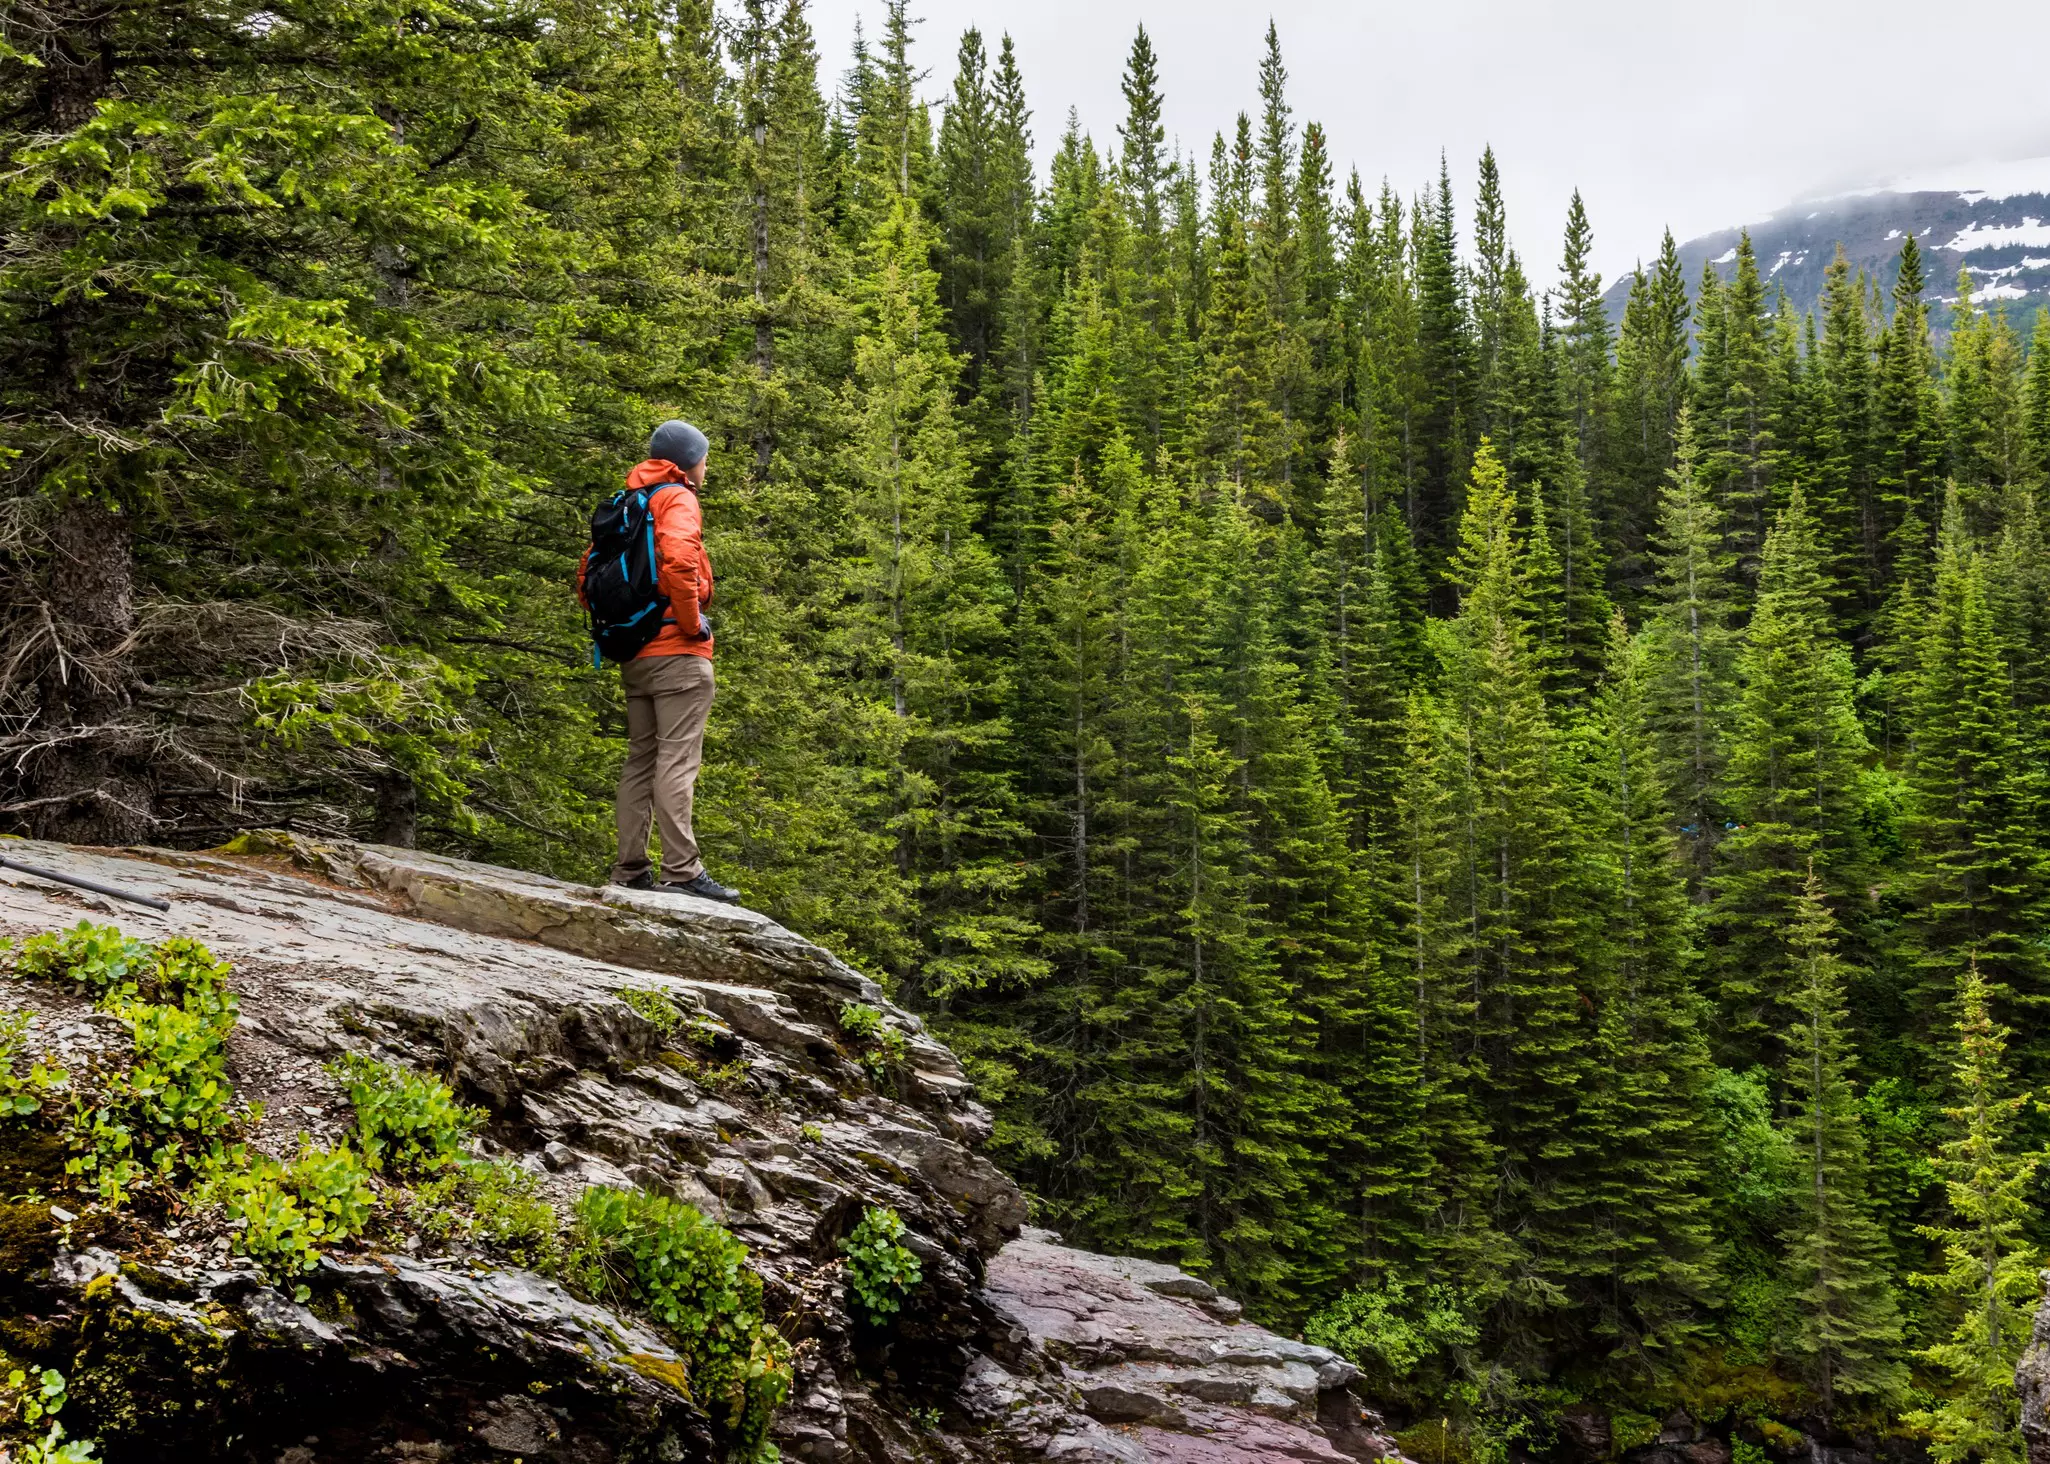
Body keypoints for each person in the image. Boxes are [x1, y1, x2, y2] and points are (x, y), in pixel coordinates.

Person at [585, 420, 742, 903]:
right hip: (678, 652)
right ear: (688, 459)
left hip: (635, 653)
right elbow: (679, 561)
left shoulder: (628, 502)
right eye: (704, 457)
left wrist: (628, 631)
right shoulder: (676, 497)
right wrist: (692, 623)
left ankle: (630, 868)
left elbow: (587, 574)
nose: (706, 465)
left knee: (641, 760)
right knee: (677, 759)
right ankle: (682, 870)